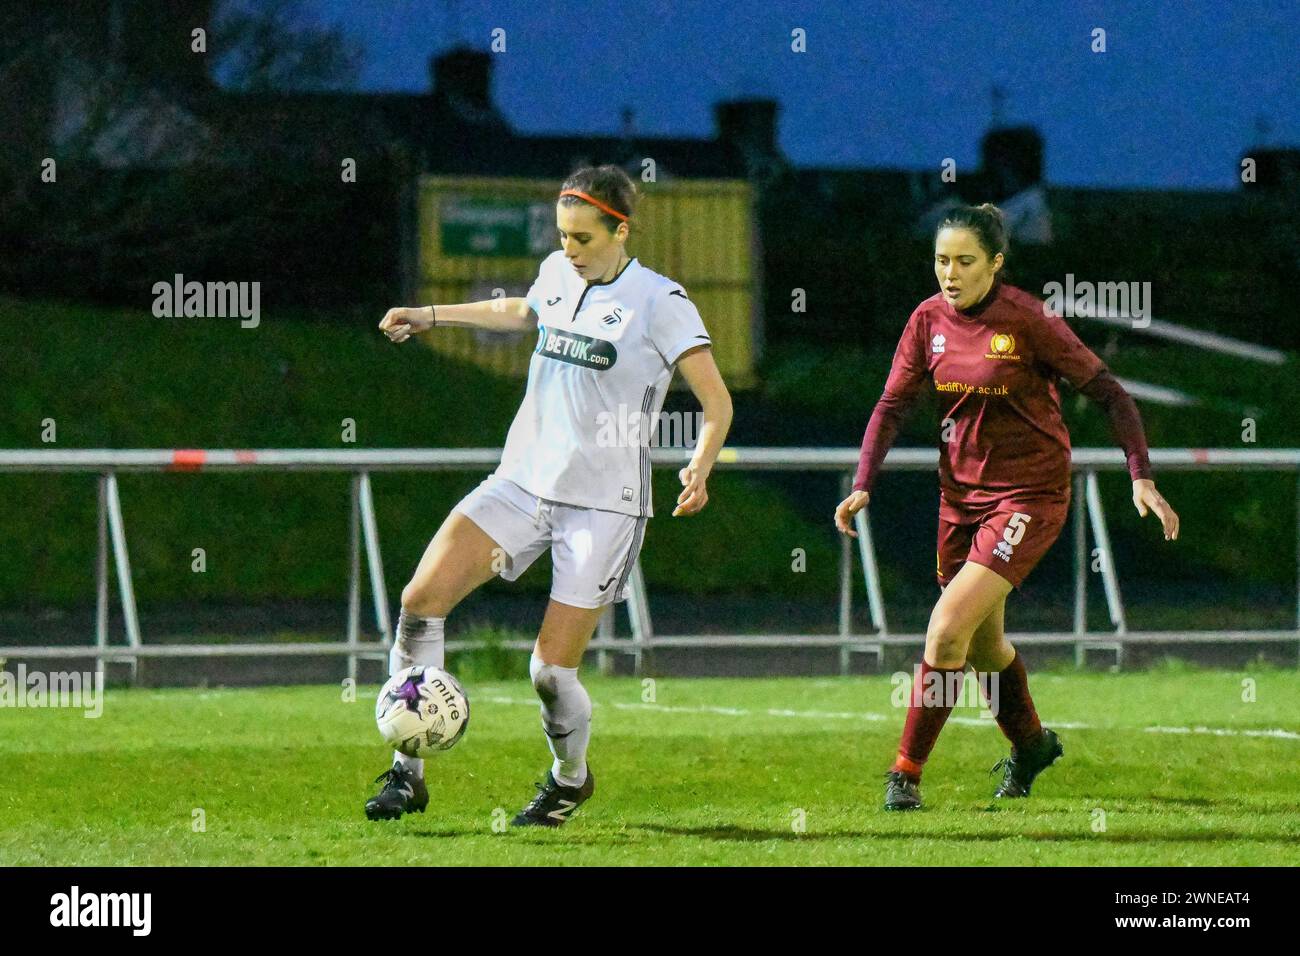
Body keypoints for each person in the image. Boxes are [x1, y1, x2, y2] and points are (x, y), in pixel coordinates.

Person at [370, 165, 733, 825]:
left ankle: (570, 778)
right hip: (520, 483)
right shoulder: (559, 273)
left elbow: (715, 401)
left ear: (620, 230)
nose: (571, 248)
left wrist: (700, 465)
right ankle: (406, 772)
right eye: (564, 235)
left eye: (585, 237)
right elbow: (519, 310)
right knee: (420, 602)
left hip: (604, 505)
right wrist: (430, 315)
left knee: (548, 673)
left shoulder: (661, 301)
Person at [834, 203, 1180, 811]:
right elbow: (892, 405)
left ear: (996, 263)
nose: (951, 272)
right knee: (985, 648)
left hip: (1029, 496)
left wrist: (1141, 476)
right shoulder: (926, 321)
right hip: (958, 499)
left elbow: (1110, 393)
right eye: (942, 260)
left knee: (944, 633)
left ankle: (904, 776)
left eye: (966, 261)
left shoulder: (1028, 318)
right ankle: (1032, 745)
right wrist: (864, 481)